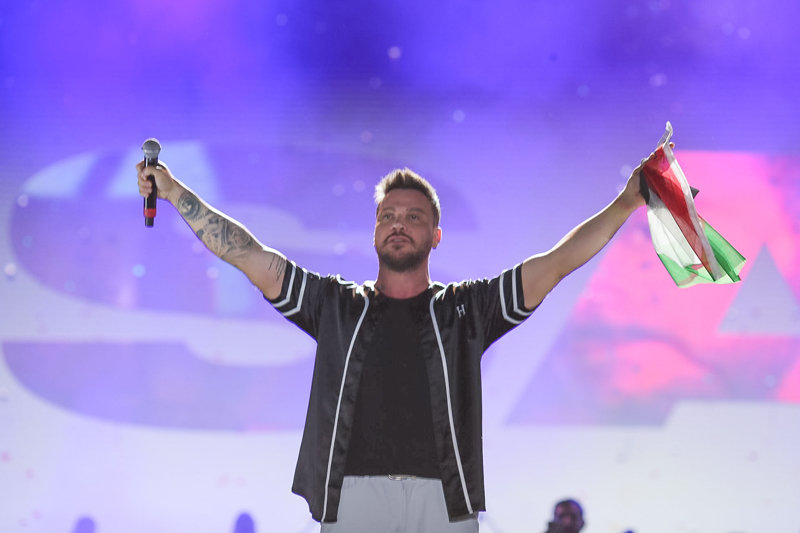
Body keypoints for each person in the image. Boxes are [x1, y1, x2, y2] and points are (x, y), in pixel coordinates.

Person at [136, 156, 654, 532]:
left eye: (413, 217)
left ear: (436, 236)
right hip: (354, 496)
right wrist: (175, 191)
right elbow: (248, 255)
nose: (398, 225)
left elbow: (557, 263)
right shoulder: (336, 304)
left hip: (445, 502)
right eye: (388, 216)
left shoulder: (465, 309)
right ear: (374, 233)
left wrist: (628, 201)